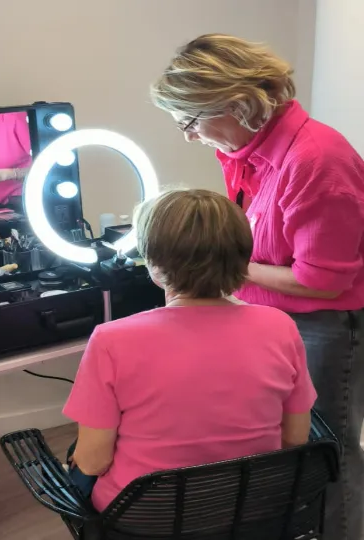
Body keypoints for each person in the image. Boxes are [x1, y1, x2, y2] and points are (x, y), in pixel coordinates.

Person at [150, 33, 364, 540]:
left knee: (326, 452)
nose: (189, 137)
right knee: (284, 445)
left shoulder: (316, 160)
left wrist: (223, 262)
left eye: (189, 121)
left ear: (237, 104)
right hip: (274, 320)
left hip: (325, 326)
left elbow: (322, 281)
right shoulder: (245, 151)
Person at [63, 189, 316, 511]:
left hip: (144, 517)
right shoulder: (279, 326)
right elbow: (295, 438)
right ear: (242, 257)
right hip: (251, 508)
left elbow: (94, 460)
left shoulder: (111, 340)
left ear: (153, 263)